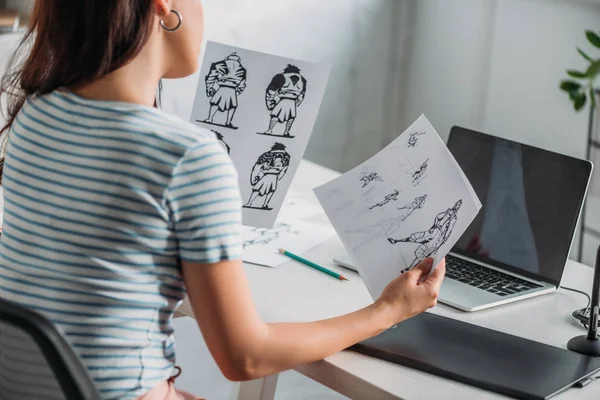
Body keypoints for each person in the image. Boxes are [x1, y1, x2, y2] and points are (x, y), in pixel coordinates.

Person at [0, 1, 445, 399]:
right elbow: (245, 357)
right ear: (163, 6)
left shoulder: (34, 114)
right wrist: (387, 310)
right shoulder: (185, 156)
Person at [389, 200, 462, 269]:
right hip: (434, 230)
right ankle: (396, 241)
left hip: (438, 236)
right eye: (457, 204)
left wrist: (442, 241)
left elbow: (449, 230)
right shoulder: (448, 211)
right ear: (455, 204)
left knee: (423, 251)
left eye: (459, 205)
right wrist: (434, 226)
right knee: (415, 236)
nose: (457, 206)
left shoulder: (454, 218)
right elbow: (438, 217)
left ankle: (409, 268)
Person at [261, 64, 306, 137]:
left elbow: (271, 90)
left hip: (283, 99)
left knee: (275, 115)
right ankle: (286, 132)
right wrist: (297, 103)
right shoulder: (302, 79)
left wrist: (271, 102)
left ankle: (270, 130)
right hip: (292, 101)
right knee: (291, 117)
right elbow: (302, 94)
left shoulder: (281, 76)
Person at [204, 52, 247, 128]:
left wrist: (209, 87)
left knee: (215, 103)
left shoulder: (219, 65)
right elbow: (242, 83)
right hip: (232, 89)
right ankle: (228, 122)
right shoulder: (242, 69)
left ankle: (210, 118)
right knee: (232, 106)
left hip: (222, 87)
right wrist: (239, 91)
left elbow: (211, 77)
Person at [245, 143, 290, 209]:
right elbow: (257, 167)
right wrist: (255, 177)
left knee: (271, 190)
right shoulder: (267, 157)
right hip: (267, 177)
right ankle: (249, 203)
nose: (278, 156)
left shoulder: (285, 158)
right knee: (257, 189)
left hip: (273, 177)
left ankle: (265, 204)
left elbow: (284, 170)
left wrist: (278, 176)